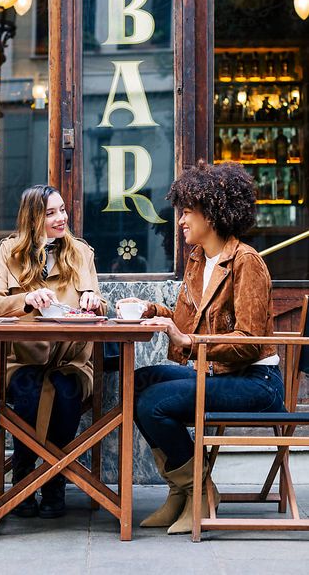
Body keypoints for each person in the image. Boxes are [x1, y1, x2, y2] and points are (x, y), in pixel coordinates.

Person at [116, 161, 285, 535]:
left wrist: (189, 342)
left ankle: (199, 489)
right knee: (138, 383)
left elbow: (249, 342)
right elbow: (184, 319)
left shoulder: (246, 262)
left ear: (212, 212)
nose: (180, 222)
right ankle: (183, 491)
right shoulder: (198, 260)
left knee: (153, 403)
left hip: (257, 383)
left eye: (188, 212)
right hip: (220, 374)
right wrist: (152, 311)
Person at [0, 184, 106, 518]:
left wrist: (94, 301)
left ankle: (53, 483)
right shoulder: (10, 251)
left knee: (65, 394)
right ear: (33, 218)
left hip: (72, 363)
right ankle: (24, 475)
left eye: (62, 210)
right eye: (51, 212)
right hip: (20, 360)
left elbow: (99, 302)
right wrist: (24, 300)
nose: (61, 218)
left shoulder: (81, 252)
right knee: (29, 392)